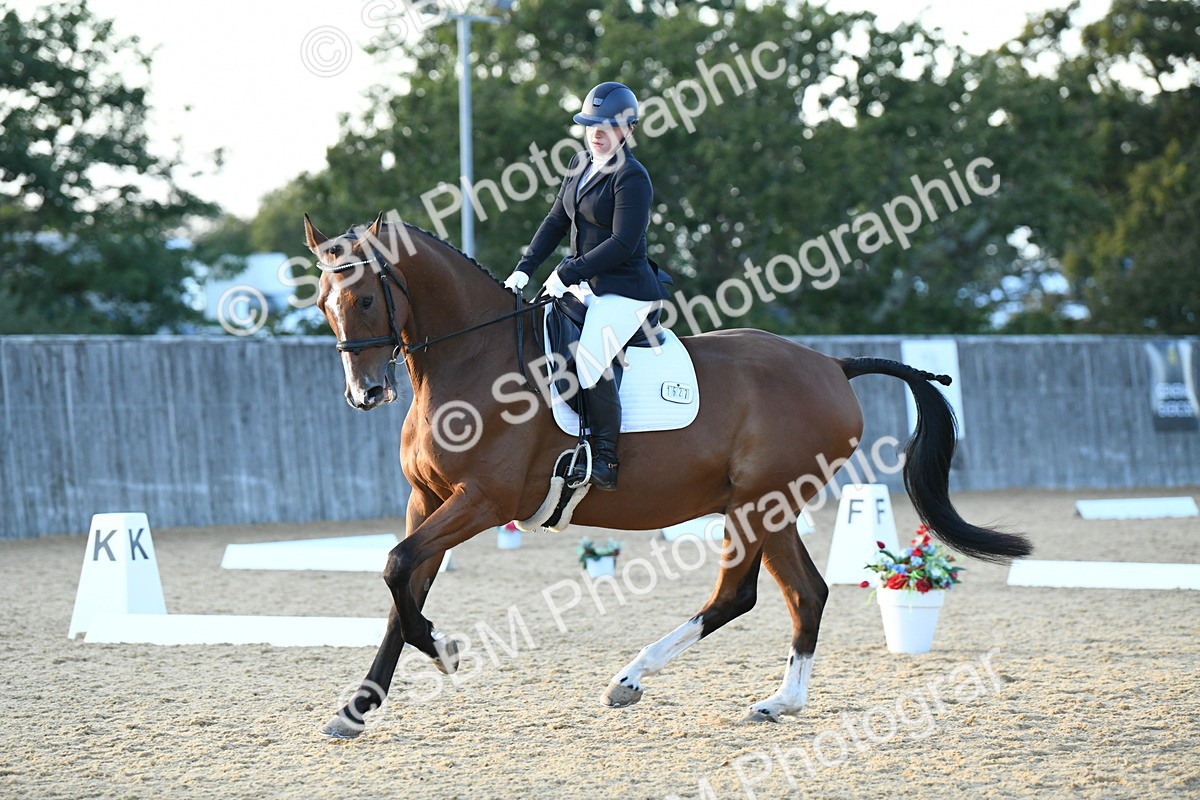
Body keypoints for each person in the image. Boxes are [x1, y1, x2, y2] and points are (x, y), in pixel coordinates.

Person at [503, 81, 670, 492]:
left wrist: (567, 273)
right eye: (590, 124)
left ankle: (606, 458)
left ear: (628, 129)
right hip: (582, 282)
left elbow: (622, 243)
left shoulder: (633, 177)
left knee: (591, 358)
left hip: (625, 290)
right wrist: (526, 267)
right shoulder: (579, 163)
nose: (597, 132)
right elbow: (556, 220)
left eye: (607, 126)